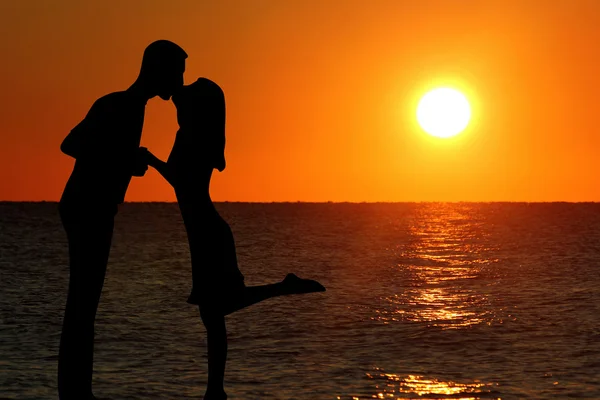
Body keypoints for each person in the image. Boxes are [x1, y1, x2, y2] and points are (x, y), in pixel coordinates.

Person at [144, 77, 326, 400]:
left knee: (215, 309)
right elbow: (179, 180)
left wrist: (150, 159)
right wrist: (154, 160)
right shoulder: (185, 136)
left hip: (208, 234)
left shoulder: (194, 139)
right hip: (204, 232)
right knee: (213, 313)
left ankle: (217, 388)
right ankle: (216, 389)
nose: (178, 104)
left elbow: (179, 180)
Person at [57, 40, 187, 400]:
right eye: (176, 72)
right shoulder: (119, 104)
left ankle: (77, 390)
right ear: (157, 70)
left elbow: (107, 153)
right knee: (82, 305)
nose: (179, 81)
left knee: (85, 305)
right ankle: (75, 393)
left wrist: (128, 159)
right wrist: (123, 158)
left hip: (96, 208)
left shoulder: (133, 108)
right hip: (87, 208)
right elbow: (71, 144)